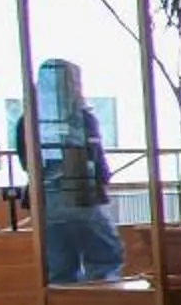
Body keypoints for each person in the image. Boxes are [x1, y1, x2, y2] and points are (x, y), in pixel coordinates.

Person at [16, 60, 123, 284]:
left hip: (46, 202)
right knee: (105, 258)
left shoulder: (26, 120)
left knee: (58, 267)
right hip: (83, 197)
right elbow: (97, 157)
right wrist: (103, 181)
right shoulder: (84, 118)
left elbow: (25, 161)